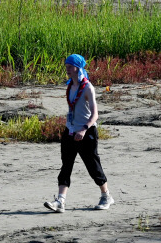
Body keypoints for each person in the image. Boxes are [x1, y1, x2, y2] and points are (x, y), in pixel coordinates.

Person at [44, 54, 114, 213]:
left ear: (78, 67)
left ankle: (106, 196)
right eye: (66, 66)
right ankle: (60, 201)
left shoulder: (88, 87)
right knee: (66, 165)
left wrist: (84, 129)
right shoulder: (69, 86)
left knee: (92, 166)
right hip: (70, 132)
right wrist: (70, 128)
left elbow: (95, 114)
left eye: (70, 66)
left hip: (86, 133)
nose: (67, 69)